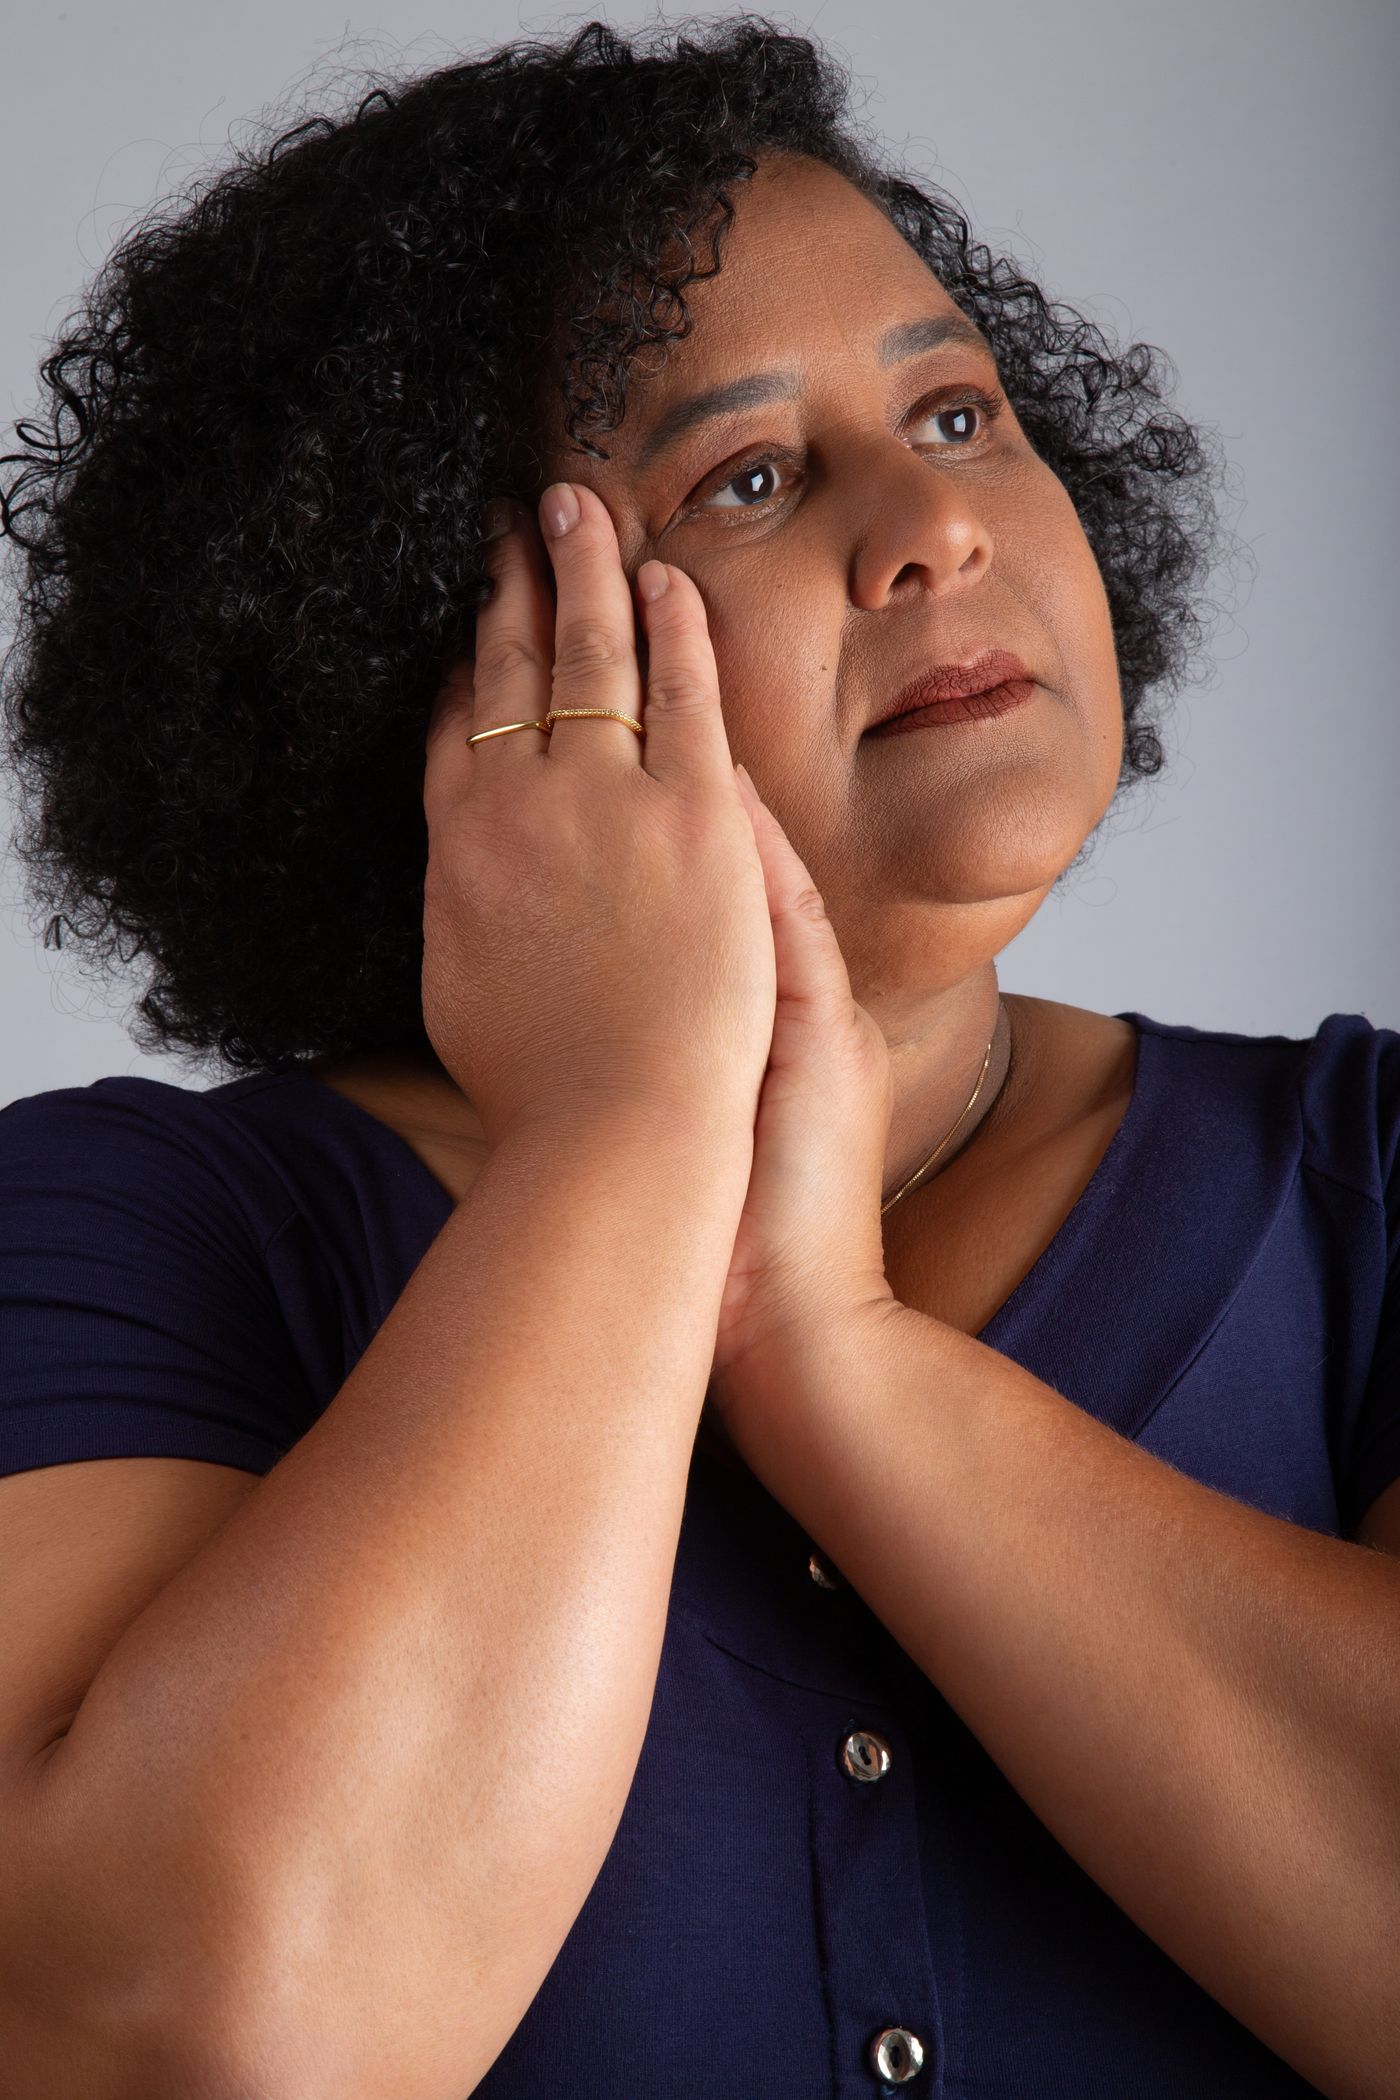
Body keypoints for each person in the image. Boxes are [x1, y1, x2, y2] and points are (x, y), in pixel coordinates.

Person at [0, 18, 1395, 2099]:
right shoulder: (132, 1237)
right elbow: (203, 2037)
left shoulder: (1361, 1180)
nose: (936, 525)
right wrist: (625, 1133)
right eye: (748, 478)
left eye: (957, 410)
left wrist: (835, 1353)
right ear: (461, 674)